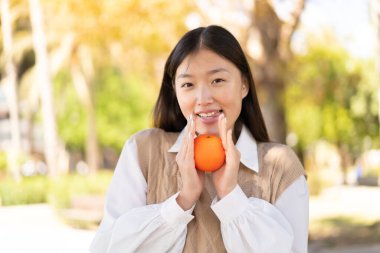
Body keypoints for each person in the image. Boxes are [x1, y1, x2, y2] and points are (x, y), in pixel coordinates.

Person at [90, 25, 308, 253]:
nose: (203, 98)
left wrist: (231, 198)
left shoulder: (280, 166)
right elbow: (107, 248)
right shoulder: (143, 151)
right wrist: (182, 202)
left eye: (217, 81)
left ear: (243, 84)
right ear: (175, 91)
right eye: (188, 85)